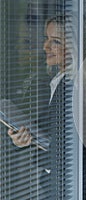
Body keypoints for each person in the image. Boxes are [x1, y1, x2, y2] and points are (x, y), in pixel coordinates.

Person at [6, 14, 76, 198]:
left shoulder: (75, 86)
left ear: (74, 46)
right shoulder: (52, 81)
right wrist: (22, 139)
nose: (46, 46)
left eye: (55, 42)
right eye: (46, 38)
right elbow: (49, 131)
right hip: (52, 180)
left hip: (66, 182)